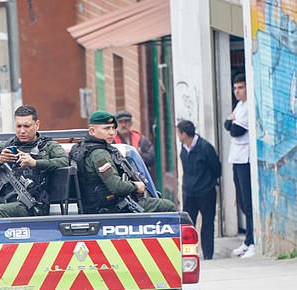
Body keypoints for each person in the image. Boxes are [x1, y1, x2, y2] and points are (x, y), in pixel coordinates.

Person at [0, 105, 68, 219]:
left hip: (30, 204)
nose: (22, 131)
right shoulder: (5, 147)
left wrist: (35, 163)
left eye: (27, 126)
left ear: (37, 125)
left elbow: (65, 161)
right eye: (18, 126)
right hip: (0, 200)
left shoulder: (48, 147)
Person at [74, 110, 176, 214]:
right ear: (92, 131)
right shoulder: (99, 154)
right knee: (168, 206)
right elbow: (116, 186)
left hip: (97, 206)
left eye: (113, 128)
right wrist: (136, 186)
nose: (111, 132)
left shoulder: (81, 148)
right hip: (110, 207)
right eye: (106, 128)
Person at [177, 120, 221, 260]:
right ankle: (189, 253)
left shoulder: (205, 147)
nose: (178, 136)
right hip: (189, 193)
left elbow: (216, 169)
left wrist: (208, 183)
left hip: (206, 192)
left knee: (207, 223)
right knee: (188, 224)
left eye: (179, 133)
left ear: (184, 134)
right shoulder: (183, 149)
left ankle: (208, 255)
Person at [224, 73, 255, 258]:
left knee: (249, 202)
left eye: (240, 87)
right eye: (235, 88)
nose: (237, 91)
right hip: (236, 158)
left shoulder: (248, 106)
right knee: (242, 202)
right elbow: (227, 124)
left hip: (246, 158)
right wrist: (231, 123)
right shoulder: (239, 105)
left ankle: (252, 241)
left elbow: (235, 130)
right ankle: (247, 240)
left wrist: (232, 123)